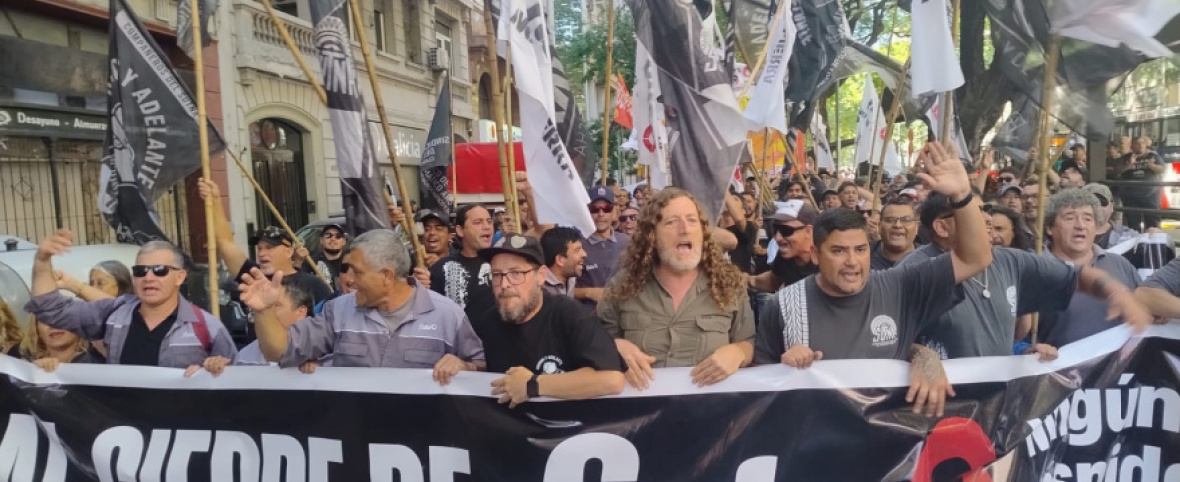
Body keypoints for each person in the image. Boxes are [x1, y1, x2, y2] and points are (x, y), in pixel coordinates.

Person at [756, 142, 991, 415]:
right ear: (816, 255)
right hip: (814, 444)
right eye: (838, 251)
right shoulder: (782, 306)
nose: (852, 262)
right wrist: (782, 367)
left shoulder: (901, 285)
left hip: (890, 449)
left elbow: (975, 258)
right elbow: (757, 386)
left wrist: (962, 196)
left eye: (860, 249)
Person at [902, 193, 1148, 361]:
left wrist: (1114, 291)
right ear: (942, 228)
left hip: (996, 408)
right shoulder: (914, 270)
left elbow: (1078, 276)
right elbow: (883, 336)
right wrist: (920, 356)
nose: (987, 219)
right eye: (974, 213)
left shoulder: (1010, 260)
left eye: (985, 210)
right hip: (936, 411)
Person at [243, 229, 485, 383]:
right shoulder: (337, 311)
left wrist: (465, 367)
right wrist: (263, 311)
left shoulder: (447, 315)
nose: (349, 280)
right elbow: (281, 351)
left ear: (387, 276)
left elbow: (484, 370)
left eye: (357, 272)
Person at [598, 188, 755, 389]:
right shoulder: (621, 286)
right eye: (671, 222)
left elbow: (749, 342)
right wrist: (615, 347)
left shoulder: (729, 284)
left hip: (712, 413)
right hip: (640, 415)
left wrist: (739, 352)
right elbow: (596, 343)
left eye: (692, 220)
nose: (685, 229)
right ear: (651, 235)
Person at [24, 232, 238, 367]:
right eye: (140, 270)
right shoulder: (113, 314)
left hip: (181, 435)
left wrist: (212, 371)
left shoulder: (207, 327)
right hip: (126, 434)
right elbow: (49, 309)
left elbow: (240, 385)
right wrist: (42, 259)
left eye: (160, 270)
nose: (149, 277)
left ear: (180, 277)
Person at [474, 234, 625, 407]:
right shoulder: (487, 321)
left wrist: (532, 385)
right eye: (496, 275)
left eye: (516, 273)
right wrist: (467, 368)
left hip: (568, 430)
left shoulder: (569, 315)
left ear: (541, 276)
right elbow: (486, 365)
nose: (504, 284)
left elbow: (611, 378)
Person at [198, 179, 333, 307]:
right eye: (260, 248)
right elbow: (225, 243)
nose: (262, 253)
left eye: (269, 247)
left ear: (289, 251)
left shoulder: (314, 285)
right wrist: (215, 201)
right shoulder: (253, 276)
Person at [1037, 189, 1145, 347]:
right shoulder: (1033, 270)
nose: (1080, 225)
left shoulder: (1120, 264)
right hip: (1053, 369)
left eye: (1088, 219)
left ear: (1096, 228)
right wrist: (1025, 349)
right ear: (1049, 228)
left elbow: (1143, 306)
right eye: (1070, 218)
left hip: (1116, 369)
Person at [430, 204, 497, 339]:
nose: (486, 226)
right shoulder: (443, 267)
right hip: (458, 349)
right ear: (460, 231)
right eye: (478, 222)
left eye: (489, 221)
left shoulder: (501, 263)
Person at [575, 186, 631, 311]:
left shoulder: (627, 242)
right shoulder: (576, 245)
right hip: (589, 317)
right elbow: (563, 289)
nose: (601, 214)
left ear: (614, 213)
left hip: (622, 314)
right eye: (594, 209)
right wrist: (588, 292)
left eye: (606, 209)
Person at [748, 201, 820, 293]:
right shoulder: (786, 255)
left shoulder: (826, 260)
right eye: (775, 229)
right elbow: (773, 281)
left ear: (808, 231)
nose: (777, 238)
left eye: (786, 230)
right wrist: (747, 280)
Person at [19, 318, 105, 371]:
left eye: (62, 317)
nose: (53, 324)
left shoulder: (96, 366)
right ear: (37, 330)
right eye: (45, 319)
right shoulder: (26, 365)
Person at [1117, 136, 1166, 230]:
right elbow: (1118, 170)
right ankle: (1135, 243)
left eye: (1142, 143)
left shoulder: (1153, 156)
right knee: (1132, 224)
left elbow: (1162, 169)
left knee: (1153, 224)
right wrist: (1129, 165)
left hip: (1151, 195)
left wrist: (1151, 166)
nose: (1140, 145)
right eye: (1137, 143)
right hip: (1131, 196)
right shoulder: (1127, 157)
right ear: (1132, 146)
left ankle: (1152, 243)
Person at [1082, 183, 1138, 250]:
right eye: (1089, 203)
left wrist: (1151, 236)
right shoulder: (1068, 236)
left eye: (1102, 202)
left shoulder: (1130, 237)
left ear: (1111, 206)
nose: (1097, 207)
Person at [52, 260, 134, 302]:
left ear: (121, 285)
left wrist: (72, 284)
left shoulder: (130, 309)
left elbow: (113, 305)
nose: (93, 288)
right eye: (91, 283)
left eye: (101, 283)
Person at [871, 198, 918, 270]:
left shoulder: (931, 260)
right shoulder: (864, 255)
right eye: (890, 220)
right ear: (879, 226)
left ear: (916, 227)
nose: (898, 225)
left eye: (905, 220)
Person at [540, 227, 585, 297]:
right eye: (577, 250)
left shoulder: (570, 280)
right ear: (560, 260)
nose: (584, 254)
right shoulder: (539, 289)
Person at [311, 223, 348, 291]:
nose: (333, 239)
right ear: (321, 240)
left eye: (338, 236)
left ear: (344, 241)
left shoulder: (351, 262)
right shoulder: (311, 262)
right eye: (328, 235)